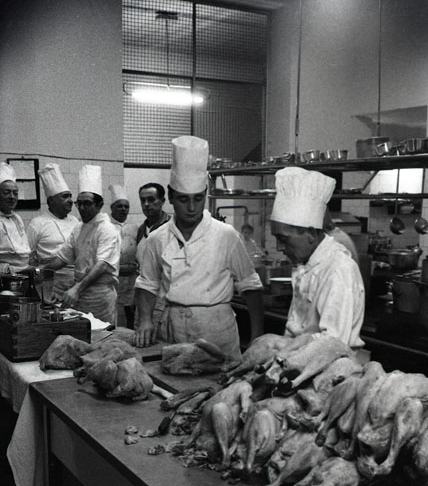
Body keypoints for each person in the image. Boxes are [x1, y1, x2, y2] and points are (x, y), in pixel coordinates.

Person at [134, 135, 264, 362]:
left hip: (216, 328)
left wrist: (257, 337)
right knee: (174, 377)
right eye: (184, 200)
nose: (192, 208)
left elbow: (251, 286)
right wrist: (145, 319)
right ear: (171, 197)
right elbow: (147, 283)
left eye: (198, 199)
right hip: (173, 327)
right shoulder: (157, 238)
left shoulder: (226, 235)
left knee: (220, 379)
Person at [270, 166, 365, 348]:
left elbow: (331, 344)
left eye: (283, 239)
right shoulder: (308, 265)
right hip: (296, 357)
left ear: (310, 234)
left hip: (327, 363)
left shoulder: (338, 270)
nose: (279, 247)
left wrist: (279, 347)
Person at [41, 165, 121, 324]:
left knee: (101, 334)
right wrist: (39, 273)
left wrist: (77, 289)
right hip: (79, 294)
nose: (82, 208)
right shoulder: (79, 228)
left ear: (99, 205)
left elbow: (102, 265)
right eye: (79, 203)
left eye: (87, 203)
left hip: (99, 296)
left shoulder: (107, 229)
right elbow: (62, 258)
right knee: (81, 334)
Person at [27, 163, 80, 300]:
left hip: (75, 285)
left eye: (70, 196)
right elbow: (28, 258)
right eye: (65, 197)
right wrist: (37, 282)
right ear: (51, 200)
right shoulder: (37, 223)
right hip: (50, 284)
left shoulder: (75, 221)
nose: (70, 201)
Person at [109, 184, 138, 329]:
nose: (123, 209)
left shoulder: (134, 227)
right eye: (119, 206)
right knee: (113, 313)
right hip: (113, 279)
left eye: (126, 206)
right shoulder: (107, 227)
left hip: (131, 279)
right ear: (112, 208)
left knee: (131, 312)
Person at [0, 162, 31, 274]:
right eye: (6, 193)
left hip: (23, 273)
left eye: (15, 193)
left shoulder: (17, 219)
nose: (12, 197)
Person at [136, 182, 170, 270]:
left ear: (162, 201)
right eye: (143, 200)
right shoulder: (141, 230)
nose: (146, 204)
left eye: (151, 199)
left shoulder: (172, 226)